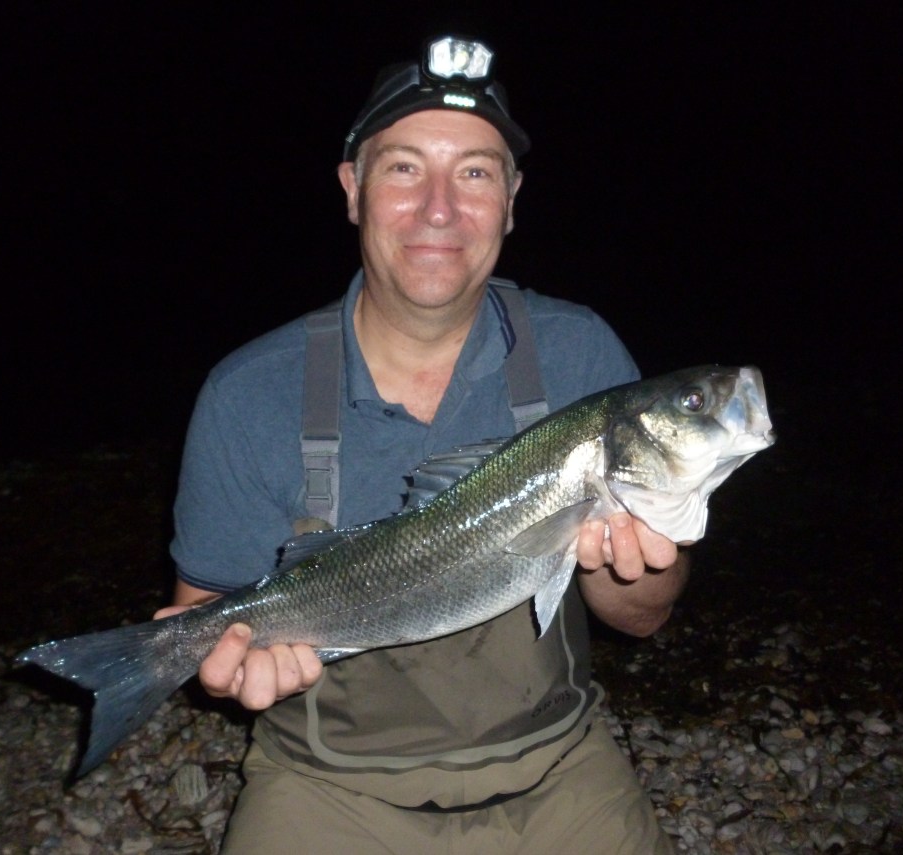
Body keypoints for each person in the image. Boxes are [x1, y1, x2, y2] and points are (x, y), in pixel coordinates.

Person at [156, 35, 688, 853]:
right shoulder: (248, 391)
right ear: (353, 190)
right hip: (325, 787)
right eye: (404, 167)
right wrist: (219, 663)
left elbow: (645, 618)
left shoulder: (581, 356)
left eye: (474, 172)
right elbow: (202, 611)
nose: (440, 207)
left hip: (556, 767)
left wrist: (631, 571)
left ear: (510, 200)